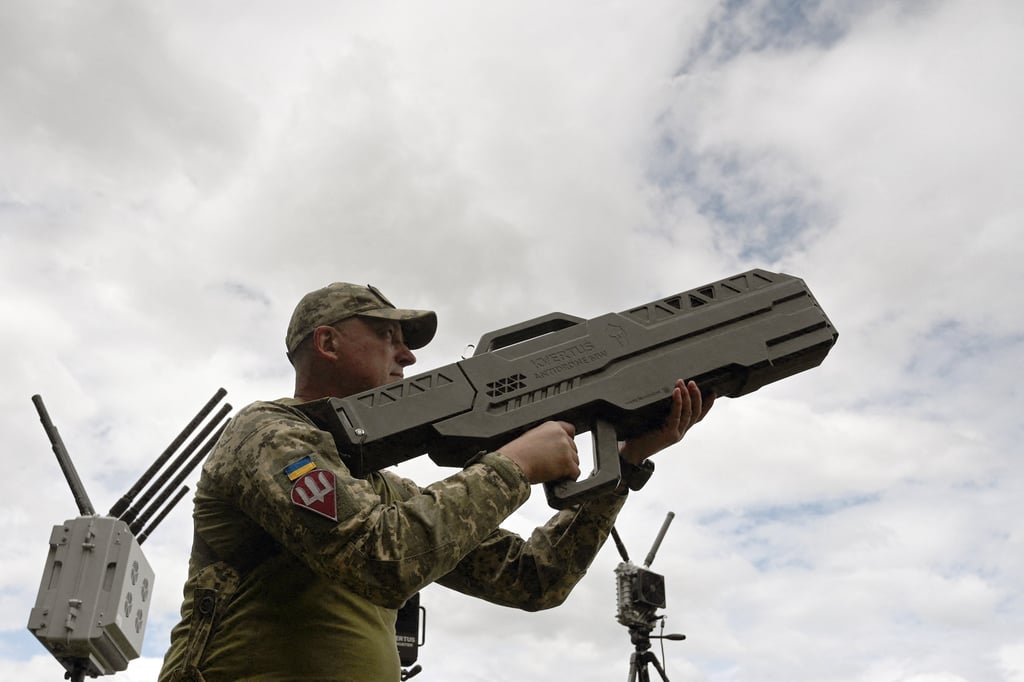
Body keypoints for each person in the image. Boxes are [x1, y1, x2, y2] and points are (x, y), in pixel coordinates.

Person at [159, 282, 713, 682]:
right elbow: (381, 557)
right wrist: (513, 465)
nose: (409, 354)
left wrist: (625, 461)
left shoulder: (383, 491)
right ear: (327, 343)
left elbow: (533, 578)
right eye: (386, 335)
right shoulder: (266, 434)